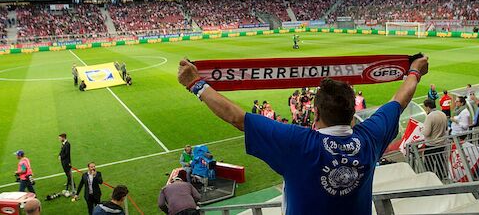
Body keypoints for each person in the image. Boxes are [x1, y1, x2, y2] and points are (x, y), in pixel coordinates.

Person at [177, 56, 429, 214]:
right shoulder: (369, 138)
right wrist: (414, 71)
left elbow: (237, 118)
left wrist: (195, 84)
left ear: (315, 111)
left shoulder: (298, 143)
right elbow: (399, 101)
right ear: (354, 112)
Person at [422, 99, 448, 178]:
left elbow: (426, 133)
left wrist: (422, 130)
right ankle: (439, 178)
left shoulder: (430, 116)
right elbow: (446, 128)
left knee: (429, 164)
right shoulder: (442, 114)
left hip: (431, 144)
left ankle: (430, 180)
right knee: (440, 162)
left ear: (428, 107)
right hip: (441, 143)